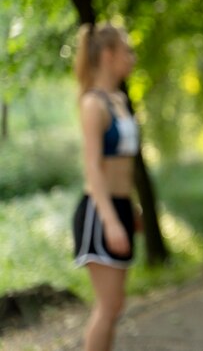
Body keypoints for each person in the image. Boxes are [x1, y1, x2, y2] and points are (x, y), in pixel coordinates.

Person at [72, 23, 140, 351]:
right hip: (100, 213)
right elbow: (92, 168)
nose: (133, 58)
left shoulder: (119, 100)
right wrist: (111, 220)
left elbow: (124, 165)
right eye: (128, 51)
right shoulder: (92, 104)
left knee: (115, 307)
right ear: (109, 56)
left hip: (122, 206)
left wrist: (133, 208)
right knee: (108, 306)